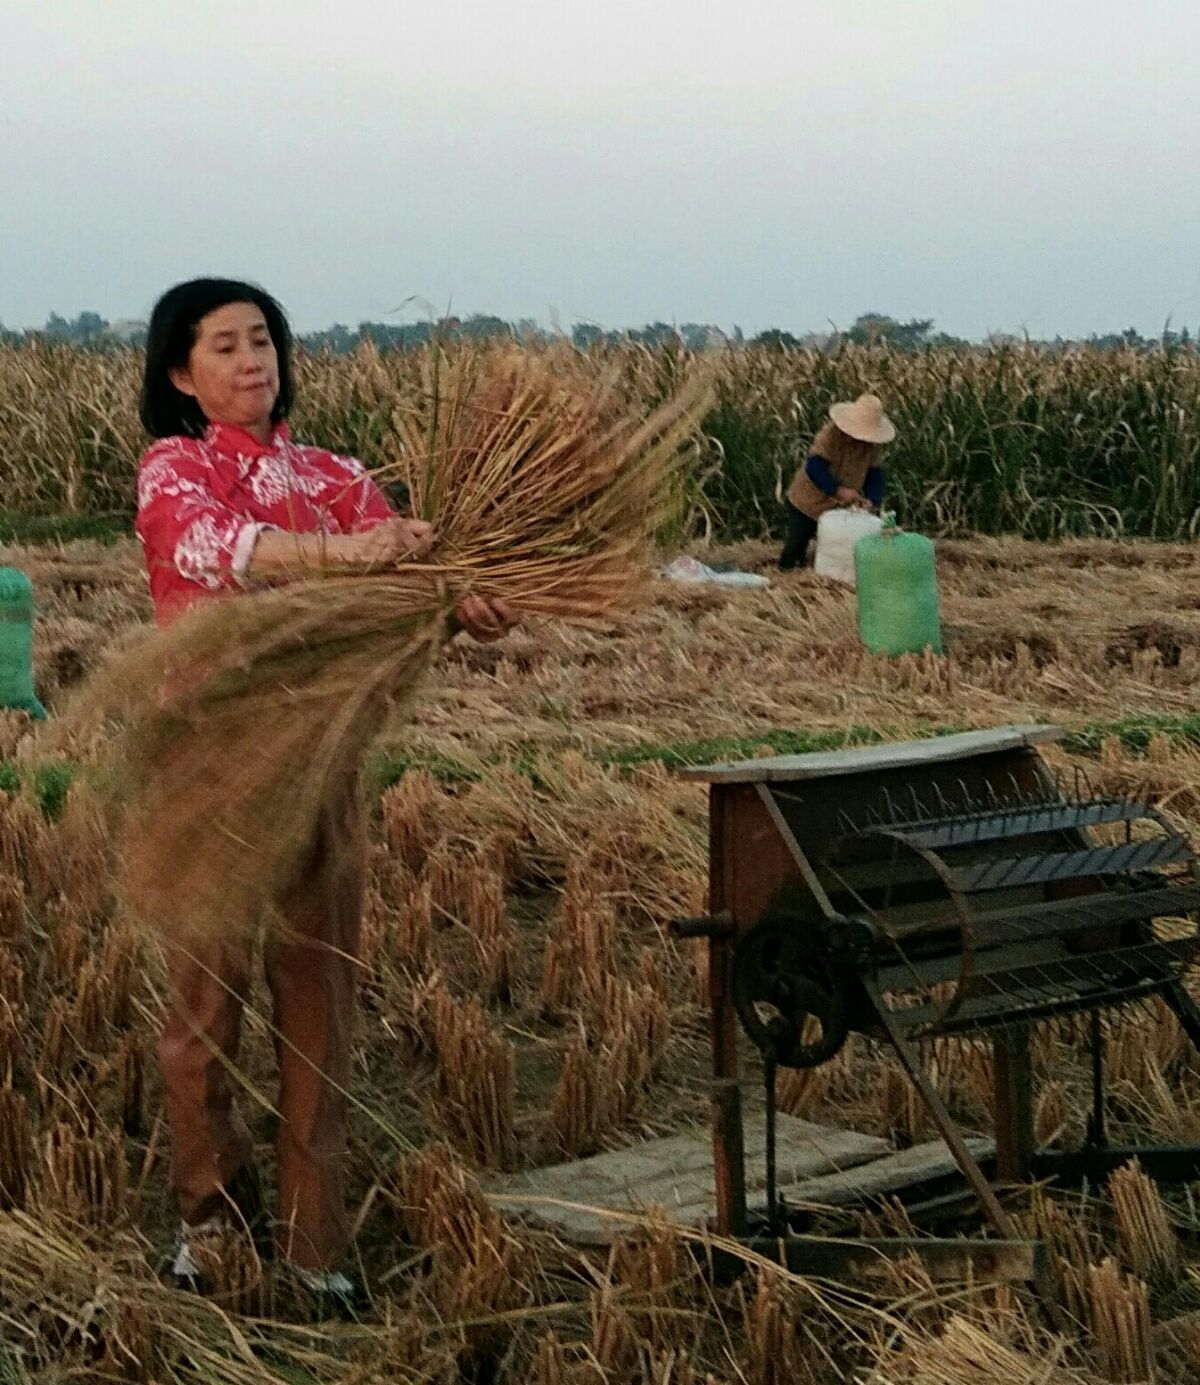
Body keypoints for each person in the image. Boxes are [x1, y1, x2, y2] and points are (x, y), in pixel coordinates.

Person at [135, 277, 516, 1311]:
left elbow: (414, 568)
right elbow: (226, 552)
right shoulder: (176, 470)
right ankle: (210, 1224)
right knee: (204, 1005)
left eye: (263, 339)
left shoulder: (335, 474)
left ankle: (315, 1245)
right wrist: (350, 557)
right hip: (212, 760)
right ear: (182, 372)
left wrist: (465, 592)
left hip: (321, 760)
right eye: (224, 345)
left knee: (319, 1000)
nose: (252, 359)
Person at [779, 392, 895, 570]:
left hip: (837, 507)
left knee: (832, 546)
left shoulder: (873, 447)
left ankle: (816, 573)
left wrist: (872, 499)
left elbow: (875, 475)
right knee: (797, 542)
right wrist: (838, 490)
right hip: (807, 500)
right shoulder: (831, 434)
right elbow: (815, 466)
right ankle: (786, 573)